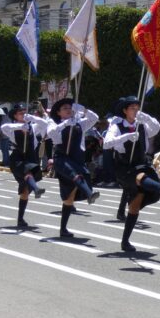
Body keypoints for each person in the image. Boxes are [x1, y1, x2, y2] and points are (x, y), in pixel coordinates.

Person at [104, 96, 160, 252]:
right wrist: (127, 136)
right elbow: (107, 143)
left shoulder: (141, 125)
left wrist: (146, 117)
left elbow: (156, 128)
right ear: (125, 110)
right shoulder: (117, 125)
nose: (136, 111)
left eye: (137, 108)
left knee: (135, 205)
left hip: (142, 164)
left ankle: (125, 241)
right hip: (125, 167)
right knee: (140, 178)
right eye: (132, 108)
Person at [47, 98, 101, 238]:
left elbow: (94, 118)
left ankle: (63, 229)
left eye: (70, 107)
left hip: (77, 159)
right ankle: (89, 194)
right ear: (58, 112)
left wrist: (83, 109)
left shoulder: (79, 123)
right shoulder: (54, 123)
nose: (68, 109)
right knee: (75, 175)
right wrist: (65, 124)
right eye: (64, 108)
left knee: (69, 198)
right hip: (62, 159)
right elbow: (51, 133)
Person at [1, 103, 48, 228]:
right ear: (15, 116)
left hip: (31, 158)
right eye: (21, 113)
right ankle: (37, 189)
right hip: (18, 159)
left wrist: (32, 118)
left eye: (24, 112)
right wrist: (19, 126)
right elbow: (4, 127)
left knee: (25, 191)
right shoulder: (12, 129)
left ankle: (20, 219)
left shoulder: (33, 127)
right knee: (27, 173)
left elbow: (45, 124)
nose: (23, 114)